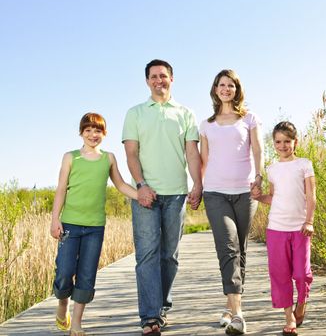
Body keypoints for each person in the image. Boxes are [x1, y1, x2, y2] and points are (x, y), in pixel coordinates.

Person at [122, 59, 202, 336]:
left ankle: (161, 304)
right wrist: (141, 185)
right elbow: (131, 154)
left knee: (169, 256)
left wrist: (198, 184)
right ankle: (149, 317)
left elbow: (192, 153)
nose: (159, 80)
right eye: (154, 76)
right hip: (146, 195)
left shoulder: (185, 113)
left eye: (164, 76)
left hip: (177, 194)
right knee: (147, 255)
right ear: (147, 81)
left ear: (172, 79)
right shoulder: (135, 113)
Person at [50, 112, 138, 336]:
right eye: (88, 130)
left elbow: (120, 184)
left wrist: (141, 195)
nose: (92, 134)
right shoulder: (71, 157)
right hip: (69, 225)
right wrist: (55, 219)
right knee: (64, 272)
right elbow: (61, 189)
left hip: (95, 227)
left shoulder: (108, 158)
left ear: (104, 134)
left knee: (87, 275)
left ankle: (77, 323)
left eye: (97, 130)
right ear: (81, 133)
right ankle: (62, 303)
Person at [199, 69, 264, 335]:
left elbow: (258, 149)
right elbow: (203, 161)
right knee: (228, 247)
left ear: (237, 89)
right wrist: (197, 188)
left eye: (231, 85)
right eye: (221, 84)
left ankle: (230, 306)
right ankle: (238, 316)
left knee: (241, 250)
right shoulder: (206, 124)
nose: (226, 89)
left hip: (245, 192)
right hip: (215, 192)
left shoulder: (249, 118)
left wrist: (259, 177)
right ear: (215, 89)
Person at [253, 121, 316, 336]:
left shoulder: (304, 164)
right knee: (280, 274)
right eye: (278, 142)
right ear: (274, 143)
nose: (282, 145)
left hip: (300, 229)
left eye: (287, 141)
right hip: (276, 228)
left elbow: (311, 197)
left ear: (295, 142)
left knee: (300, 273)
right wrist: (259, 197)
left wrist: (309, 221)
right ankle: (288, 315)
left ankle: (302, 301)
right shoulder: (272, 168)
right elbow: (273, 197)